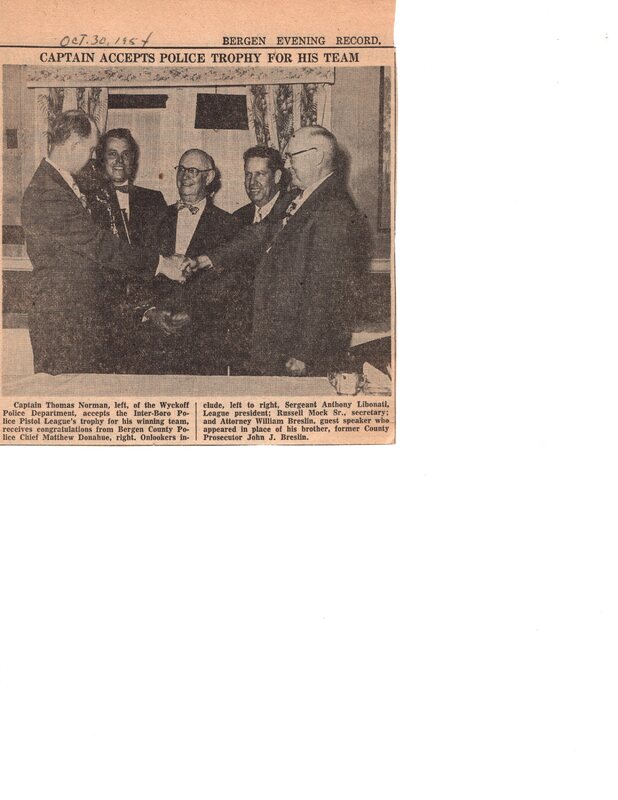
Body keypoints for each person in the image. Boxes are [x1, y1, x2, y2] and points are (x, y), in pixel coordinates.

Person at [193, 126, 370, 377]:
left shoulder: (334, 210)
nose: (287, 165)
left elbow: (323, 290)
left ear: (316, 157)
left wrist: (303, 353)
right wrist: (209, 258)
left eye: (291, 156)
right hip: (276, 339)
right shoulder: (299, 197)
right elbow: (260, 232)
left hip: (296, 350)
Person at [21, 110, 186, 374]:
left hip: (75, 317)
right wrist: (162, 264)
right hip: (63, 321)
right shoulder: (48, 192)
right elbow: (98, 244)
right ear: (74, 145)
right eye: (90, 149)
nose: (91, 157)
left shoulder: (57, 183)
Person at [135, 148, 242, 374]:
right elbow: (137, 271)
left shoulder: (229, 225)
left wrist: (196, 313)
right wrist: (151, 311)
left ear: (209, 177)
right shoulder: (153, 219)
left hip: (204, 342)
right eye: (181, 169)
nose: (185, 176)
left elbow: (232, 285)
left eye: (193, 170)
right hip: (154, 340)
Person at [82, 127, 168, 250]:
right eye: (112, 154)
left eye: (125, 155)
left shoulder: (153, 199)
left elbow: (162, 249)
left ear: (133, 161)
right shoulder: (87, 198)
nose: (119, 161)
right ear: (101, 160)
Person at [233, 145, 291, 226]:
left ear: (277, 176)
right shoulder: (238, 217)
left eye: (259, 174)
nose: (252, 182)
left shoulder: (291, 211)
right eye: (248, 174)